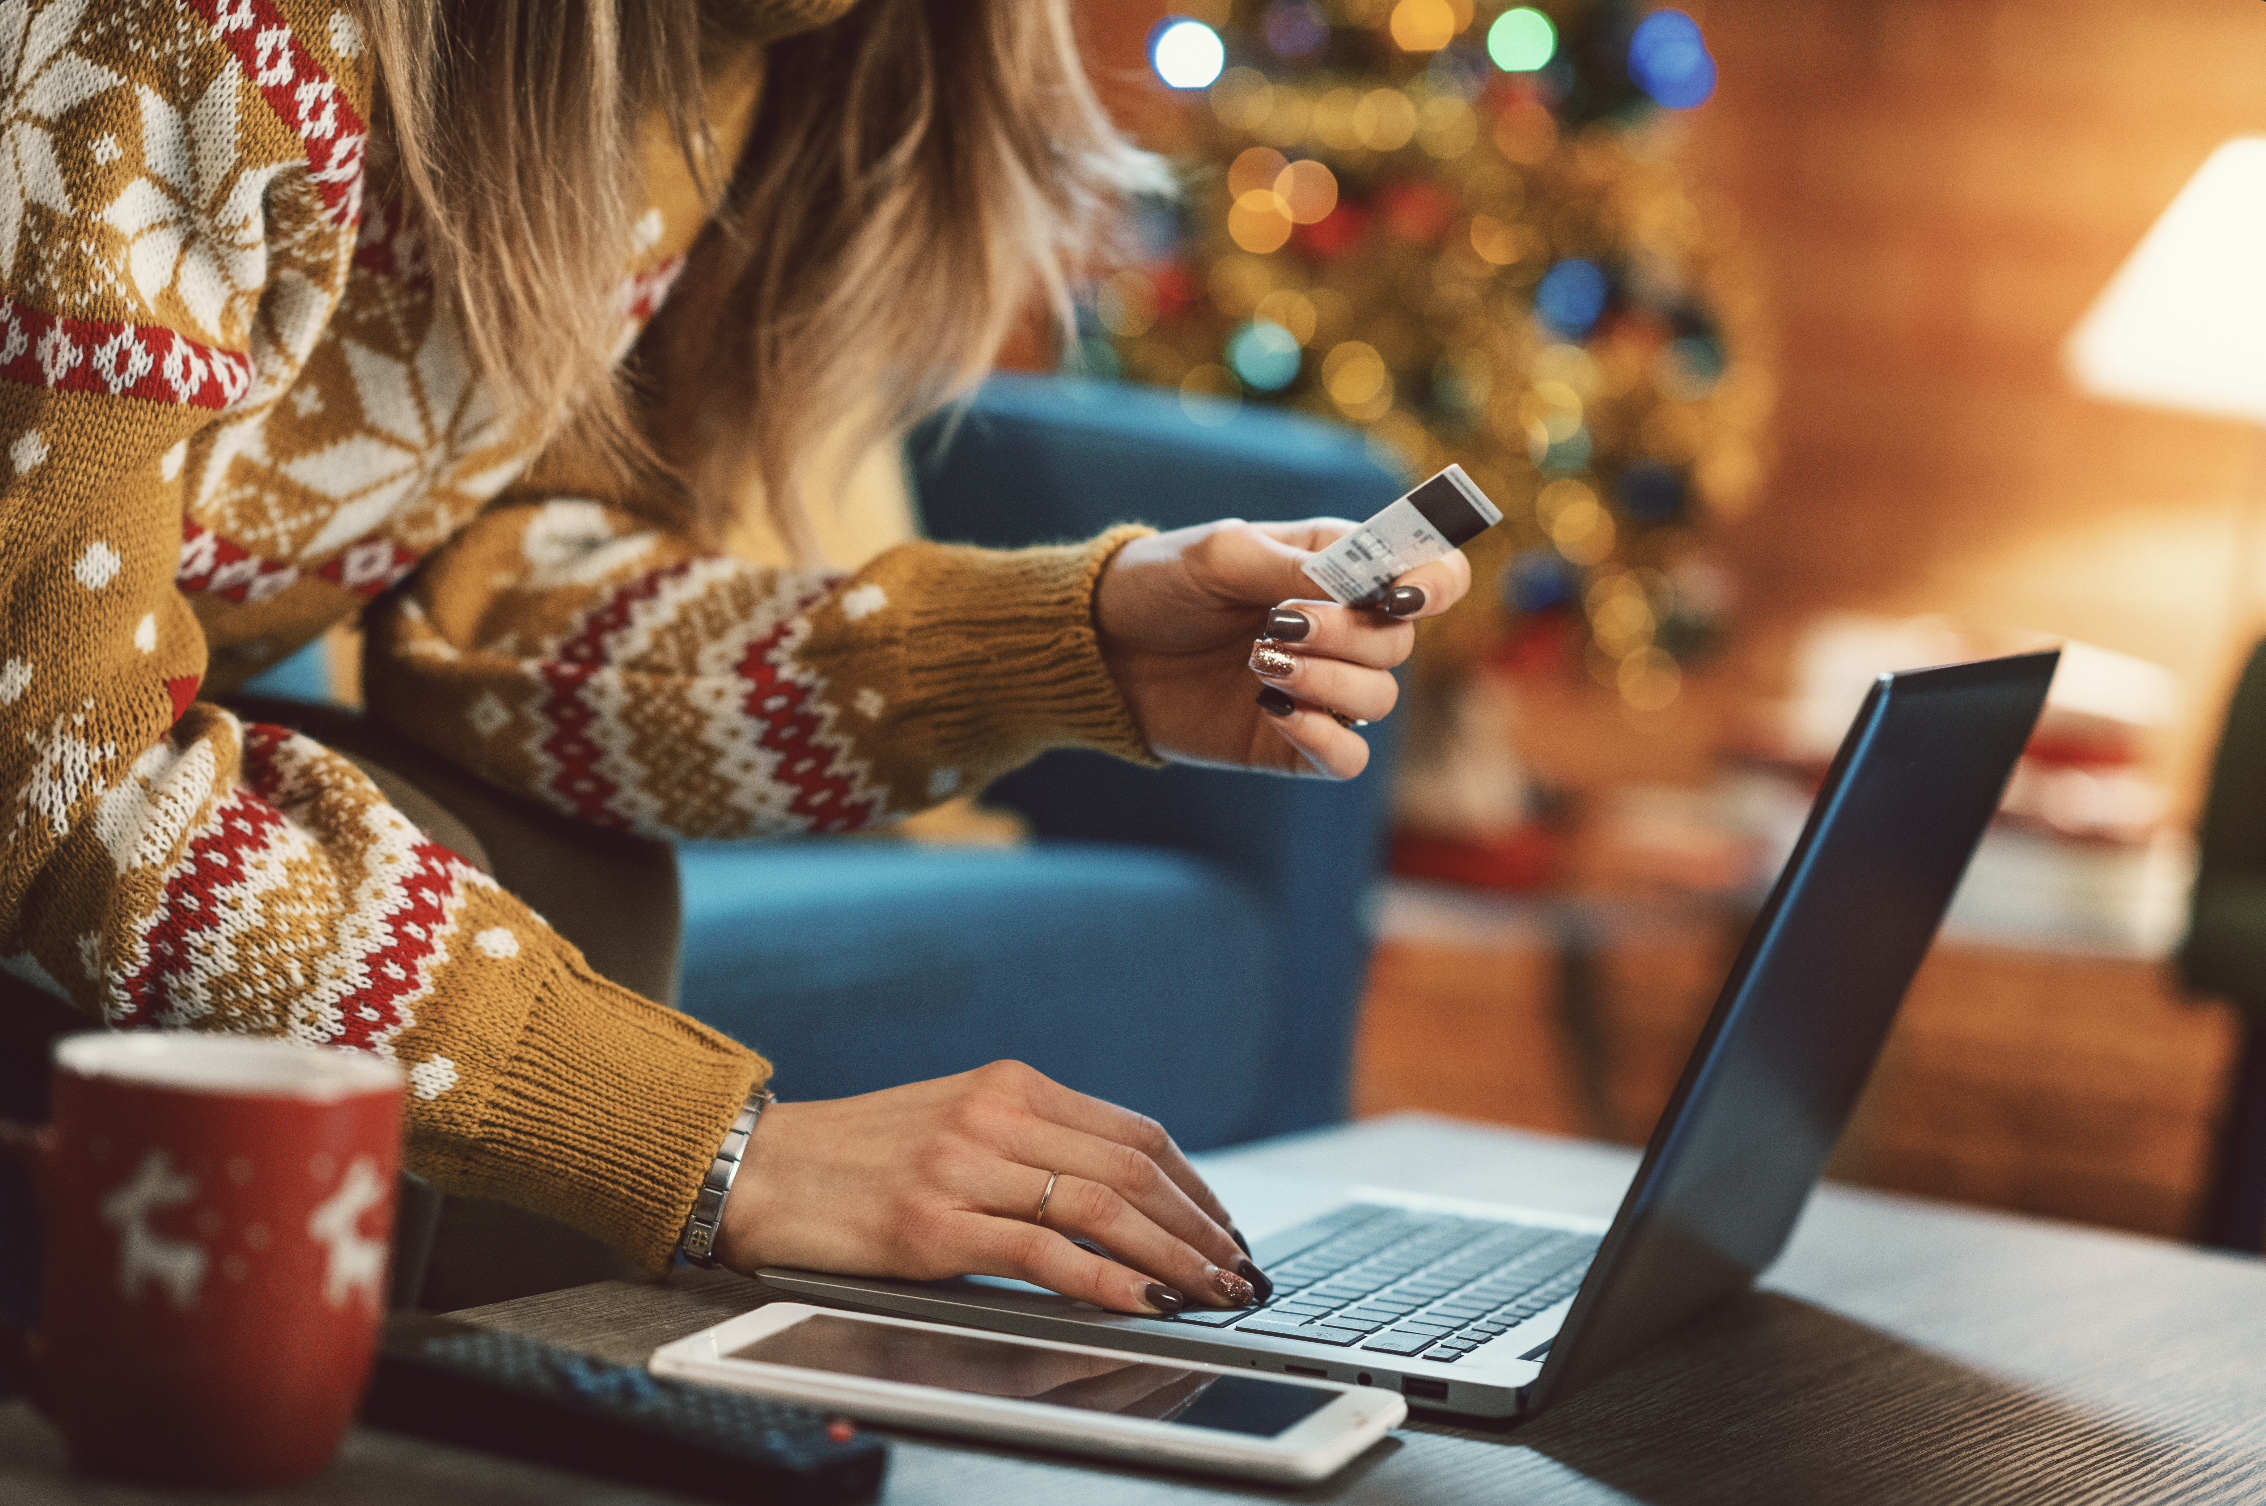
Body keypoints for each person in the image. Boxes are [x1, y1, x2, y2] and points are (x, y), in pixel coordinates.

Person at [0, 0, 1466, 1317]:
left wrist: (1059, 648)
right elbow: (46, 762)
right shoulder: (194, 33)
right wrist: (713, 1149)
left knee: (573, 857)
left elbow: (489, 606)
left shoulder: (724, 63)